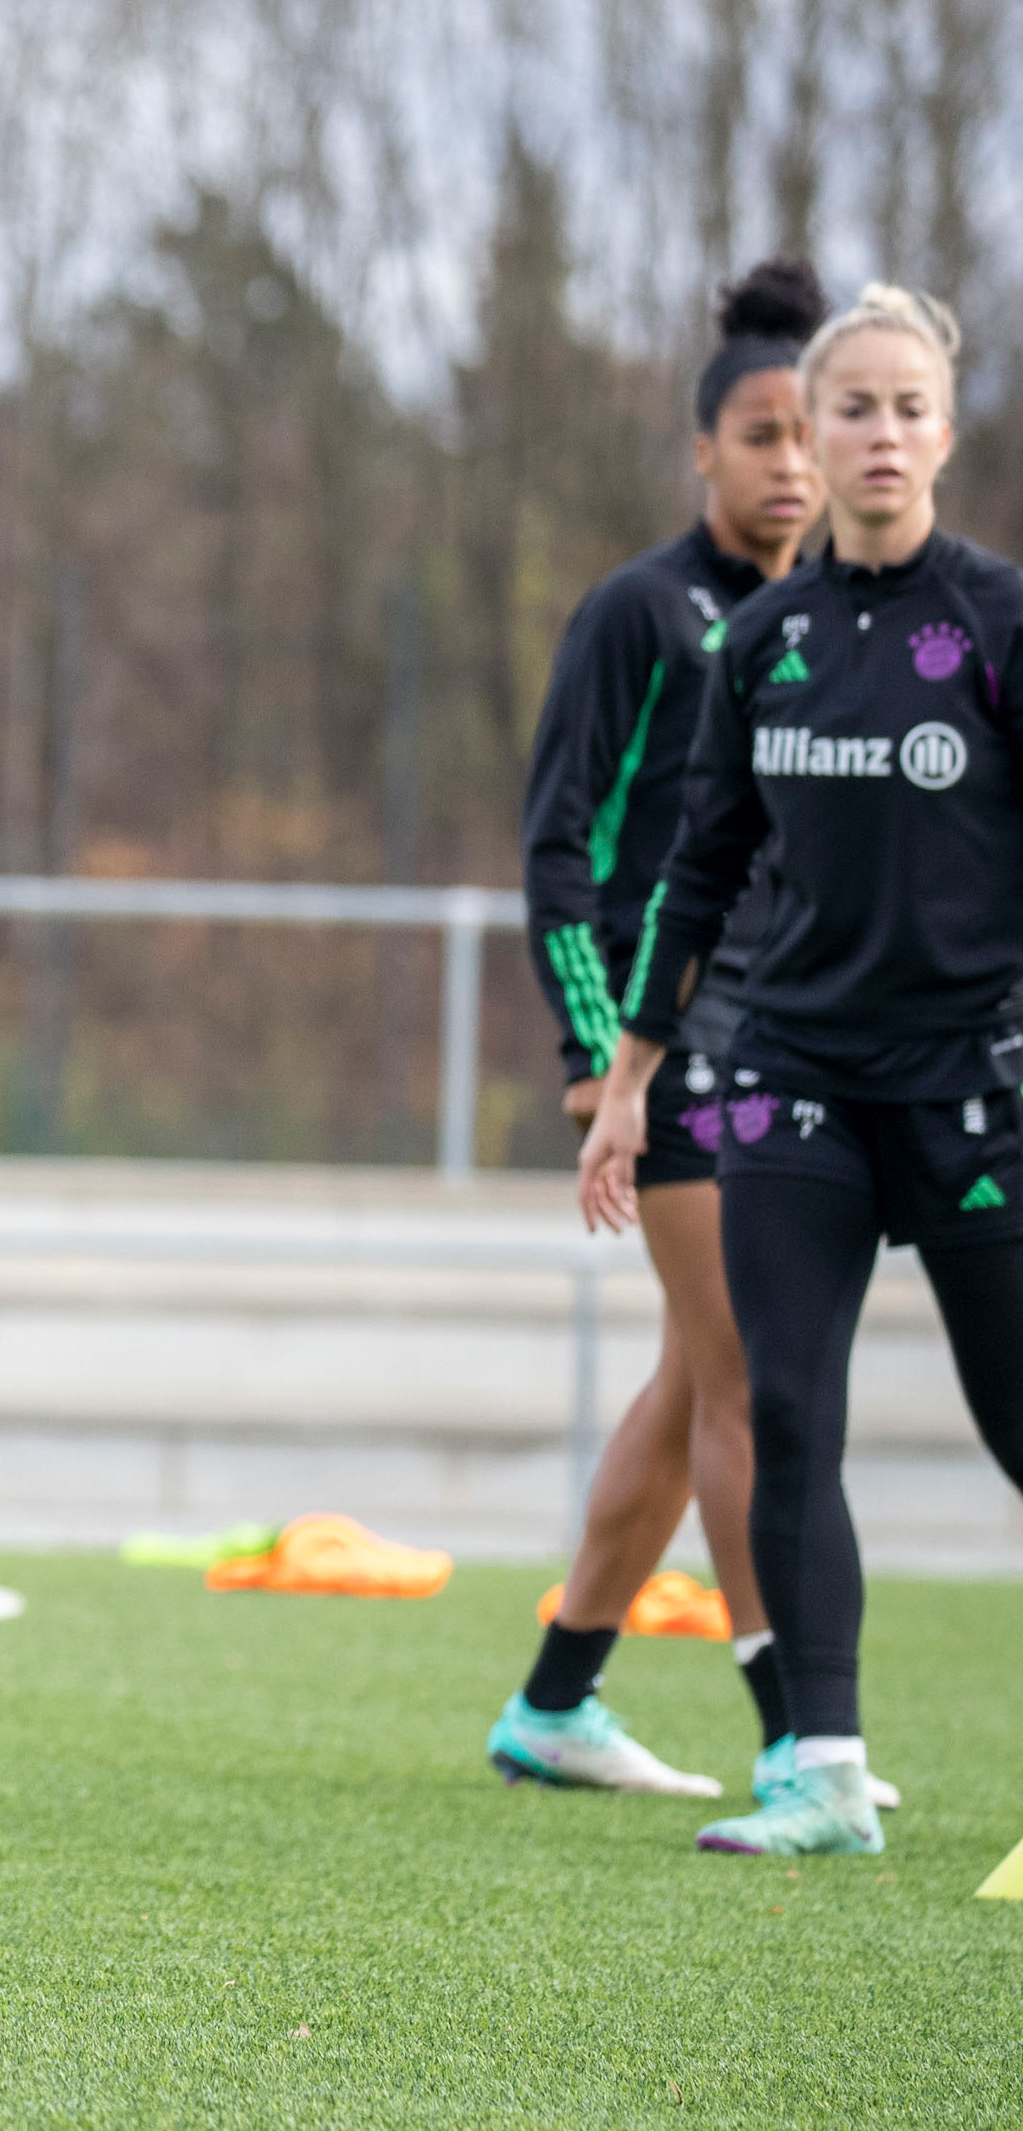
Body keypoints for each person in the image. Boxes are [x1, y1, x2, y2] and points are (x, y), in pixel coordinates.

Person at [582, 282, 1023, 1857]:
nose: (882, 433)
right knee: (785, 1409)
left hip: (974, 1091)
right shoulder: (760, 641)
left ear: (948, 434)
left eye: (910, 407)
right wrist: (631, 1074)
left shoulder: (998, 625)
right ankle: (820, 1774)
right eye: (855, 408)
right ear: (813, 432)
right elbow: (697, 874)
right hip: (790, 1091)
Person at [487, 261, 826, 1799]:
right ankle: (799, 1733)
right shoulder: (644, 610)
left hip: (787, 1041)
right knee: (747, 1367)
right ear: (707, 450)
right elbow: (560, 842)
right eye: (763, 434)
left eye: (810, 433)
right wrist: (588, 1051)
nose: (793, 463)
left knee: (698, 1379)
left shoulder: (838, 629)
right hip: (662, 1036)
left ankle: (557, 1700)